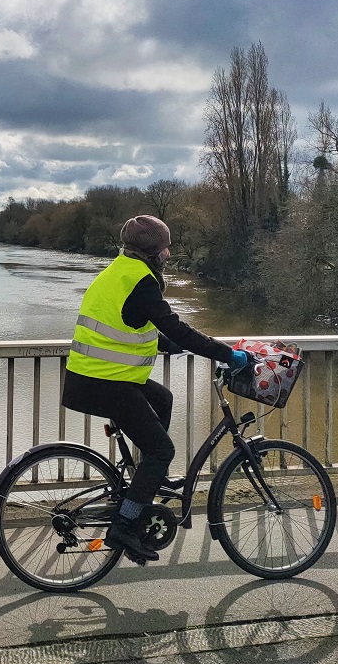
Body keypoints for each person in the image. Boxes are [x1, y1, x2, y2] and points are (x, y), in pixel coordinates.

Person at [62, 214, 248, 563]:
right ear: (154, 252)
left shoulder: (119, 271)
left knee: (163, 398)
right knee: (163, 451)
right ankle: (125, 525)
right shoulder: (142, 281)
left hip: (92, 377)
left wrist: (166, 344)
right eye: (166, 246)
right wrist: (227, 354)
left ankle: (142, 485)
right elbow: (176, 326)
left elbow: (128, 322)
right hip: (105, 383)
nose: (170, 252)